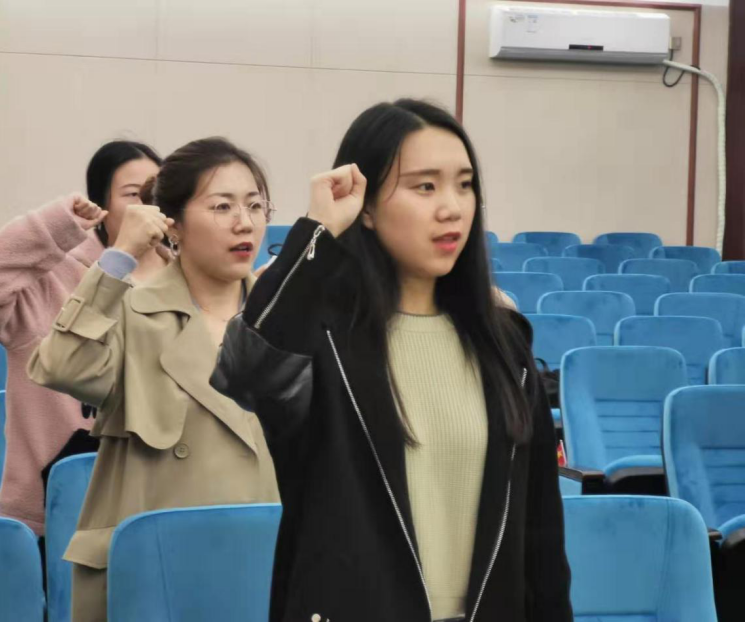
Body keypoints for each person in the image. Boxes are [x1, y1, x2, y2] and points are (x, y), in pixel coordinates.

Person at [212, 100, 572, 622]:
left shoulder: (504, 343)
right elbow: (247, 371)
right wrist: (318, 231)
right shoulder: (324, 343)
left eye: (465, 185)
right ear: (367, 208)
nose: (452, 207)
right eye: (425, 186)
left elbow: (540, 536)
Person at [28, 137, 281, 622]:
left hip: (259, 572)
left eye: (254, 205)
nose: (244, 222)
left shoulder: (282, 318)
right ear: (174, 223)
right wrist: (120, 255)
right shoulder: (131, 312)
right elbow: (59, 365)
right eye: (222, 206)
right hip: (157, 579)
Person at [0, 140, 163, 537]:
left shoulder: (185, 282)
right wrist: (57, 225)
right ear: (103, 205)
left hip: (156, 506)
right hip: (56, 512)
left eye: (155, 193)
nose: (147, 206)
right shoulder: (54, 278)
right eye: (133, 195)